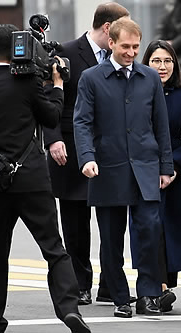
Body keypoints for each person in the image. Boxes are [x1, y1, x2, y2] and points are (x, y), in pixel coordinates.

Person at [0, 24, 90, 333]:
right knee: (54, 247)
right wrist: (56, 85)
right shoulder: (28, 83)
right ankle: (69, 309)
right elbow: (52, 116)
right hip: (31, 176)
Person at [74, 17, 173, 318]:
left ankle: (149, 295)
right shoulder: (91, 78)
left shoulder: (150, 77)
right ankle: (119, 296)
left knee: (149, 231)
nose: (131, 52)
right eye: (125, 46)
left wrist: (165, 165)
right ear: (112, 42)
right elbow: (82, 122)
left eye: (135, 47)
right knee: (111, 238)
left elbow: (161, 124)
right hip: (107, 167)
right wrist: (87, 157)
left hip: (145, 166)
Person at [43, 1, 130, 306]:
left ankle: (111, 284)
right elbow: (48, 98)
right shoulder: (65, 52)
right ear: (108, 29)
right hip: (69, 147)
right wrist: (52, 139)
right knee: (75, 223)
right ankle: (81, 283)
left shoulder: (122, 57)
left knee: (112, 220)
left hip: (110, 149)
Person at [127, 40, 181, 313]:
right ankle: (155, 289)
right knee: (148, 231)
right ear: (146, 63)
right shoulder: (135, 90)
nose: (162, 66)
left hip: (174, 175)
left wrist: (174, 167)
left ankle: (164, 287)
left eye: (167, 61)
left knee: (171, 233)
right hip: (144, 174)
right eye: (156, 60)